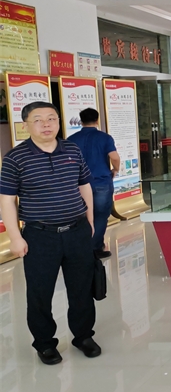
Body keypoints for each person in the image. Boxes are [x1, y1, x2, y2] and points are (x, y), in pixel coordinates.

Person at [0, 102, 100, 365]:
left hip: (77, 230)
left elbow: (84, 186)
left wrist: (90, 220)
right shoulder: (15, 158)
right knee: (40, 293)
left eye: (52, 118)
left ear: (59, 121)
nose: (46, 124)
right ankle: (45, 343)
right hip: (40, 235)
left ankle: (83, 336)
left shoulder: (72, 150)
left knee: (81, 287)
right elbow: (7, 200)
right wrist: (15, 237)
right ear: (25, 125)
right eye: (38, 120)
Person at [69, 108, 120, 259]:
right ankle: (95, 247)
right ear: (97, 120)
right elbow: (114, 157)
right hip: (101, 181)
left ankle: (82, 247)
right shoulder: (105, 138)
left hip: (78, 184)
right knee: (100, 216)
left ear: (81, 121)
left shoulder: (71, 139)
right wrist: (115, 169)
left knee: (81, 217)